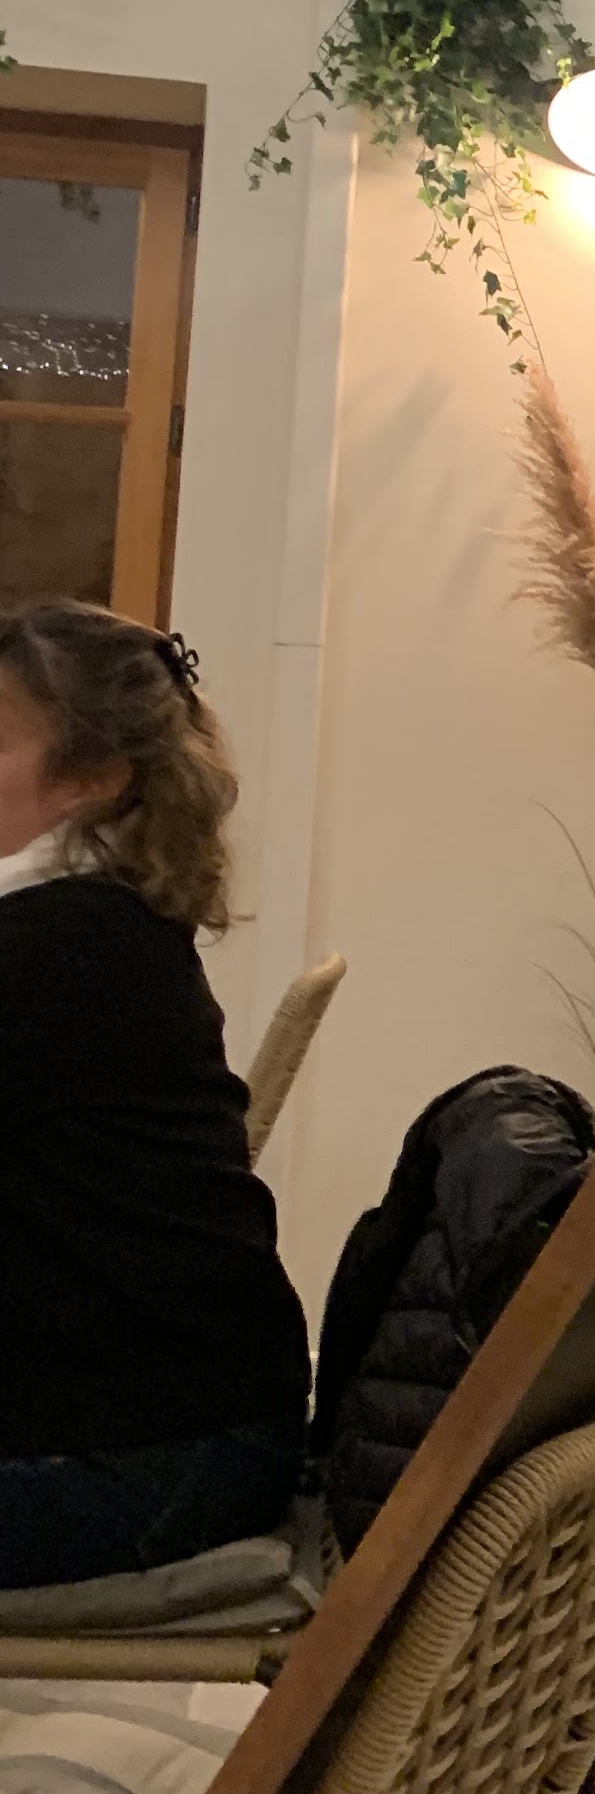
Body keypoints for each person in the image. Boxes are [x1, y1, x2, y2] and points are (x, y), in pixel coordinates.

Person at [0, 600, 311, 1587]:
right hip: (192, 1423)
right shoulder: (100, 917)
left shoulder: (57, 947)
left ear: (95, 778)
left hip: (155, 1458)